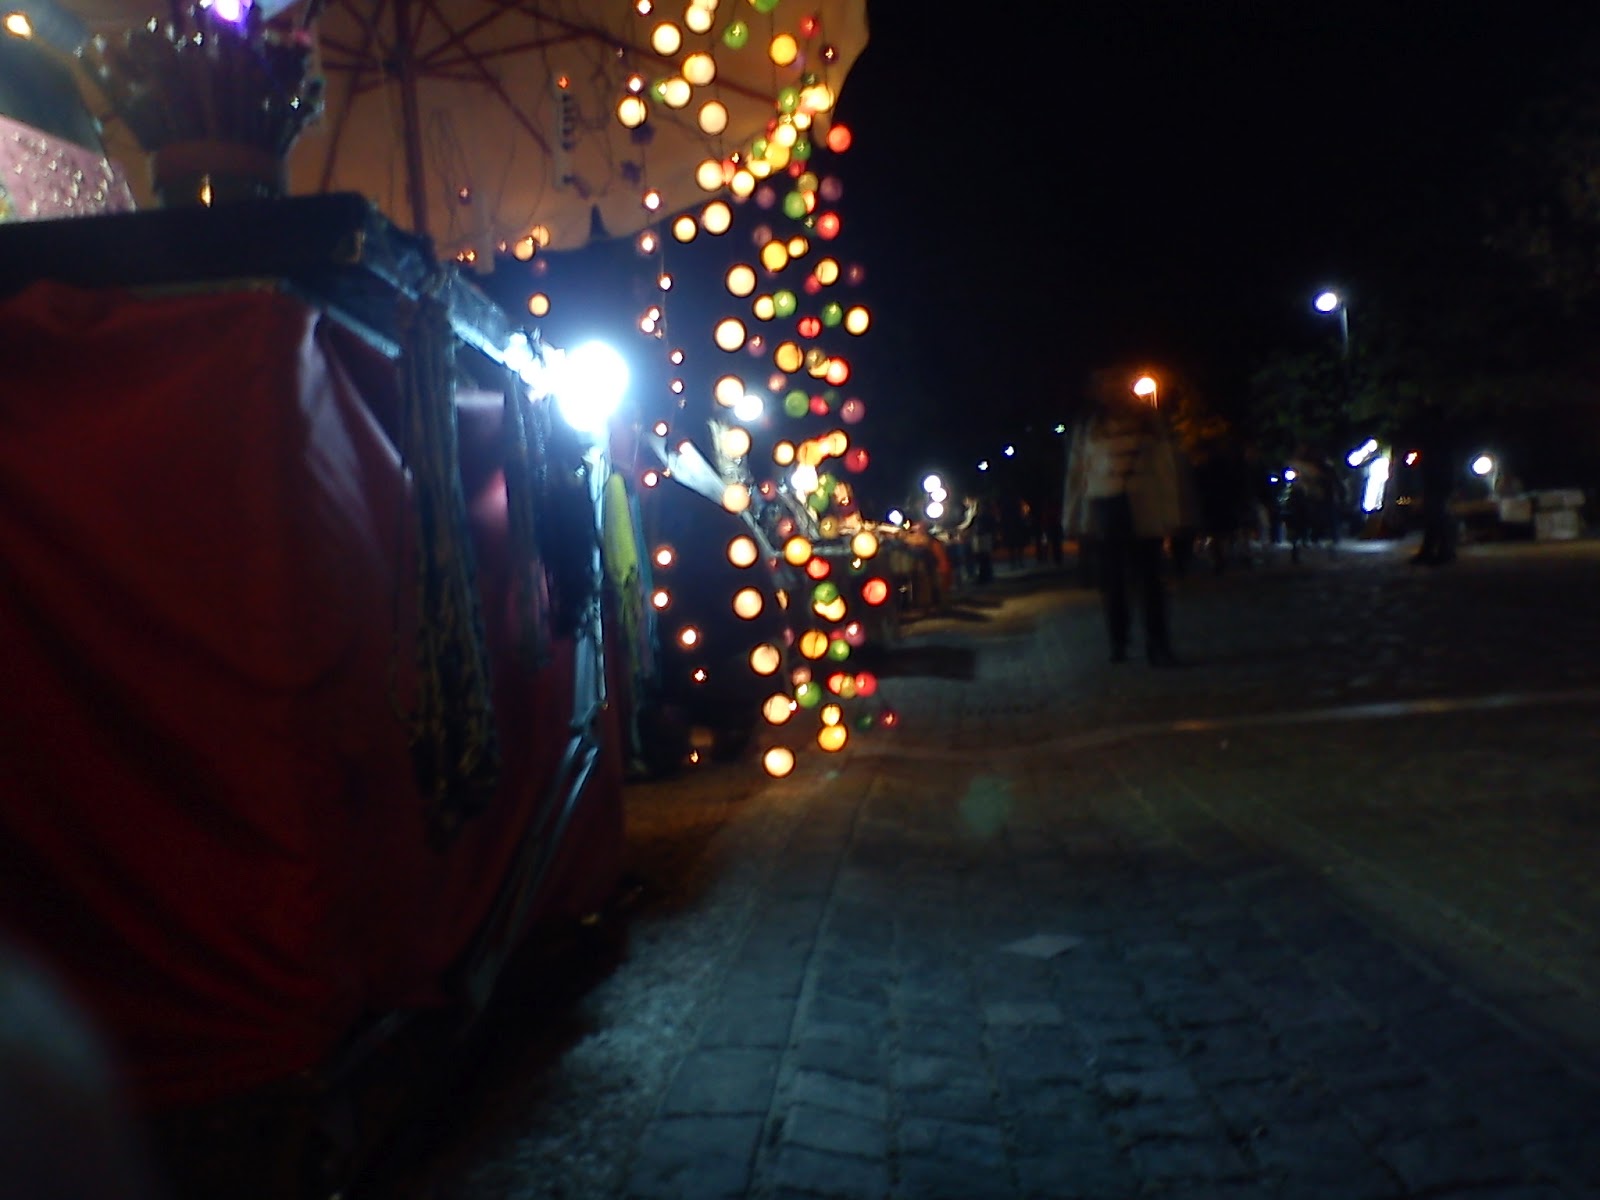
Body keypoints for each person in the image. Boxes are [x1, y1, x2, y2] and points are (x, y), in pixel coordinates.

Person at [1063, 373, 1196, 666]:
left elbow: (1166, 470)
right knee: (1114, 582)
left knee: (1149, 580)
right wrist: (1074, 518)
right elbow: (1078, 474)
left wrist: (1172, 513)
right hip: (1106, 505)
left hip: (1143, 505)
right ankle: (1120, 641)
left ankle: (1156, 644)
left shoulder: (1150, 422)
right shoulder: (1090, 427)